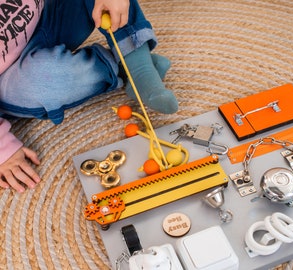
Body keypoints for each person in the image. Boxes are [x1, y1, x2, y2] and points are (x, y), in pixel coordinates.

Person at [0, 0, 178, 193]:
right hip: (10, 81)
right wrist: (3, 149)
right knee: (47, 85)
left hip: (45, 16)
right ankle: (122, 68)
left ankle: (139, 64)